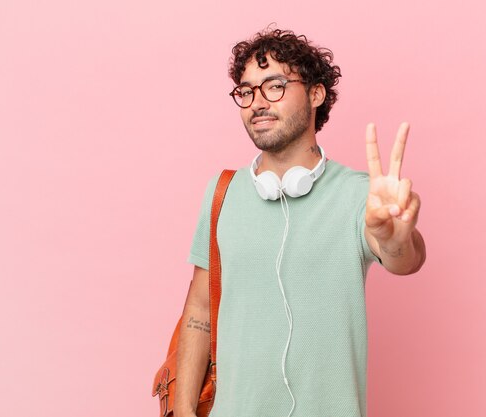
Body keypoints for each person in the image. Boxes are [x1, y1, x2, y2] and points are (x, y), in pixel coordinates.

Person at [173, 28, 426, 417]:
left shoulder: (361, 195)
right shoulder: (222, 193)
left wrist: (391, 236)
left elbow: (404, 260)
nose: (257, 102)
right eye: (246, 91)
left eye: (274, 85)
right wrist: (183, 409)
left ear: (315, 94)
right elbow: (199, 309)